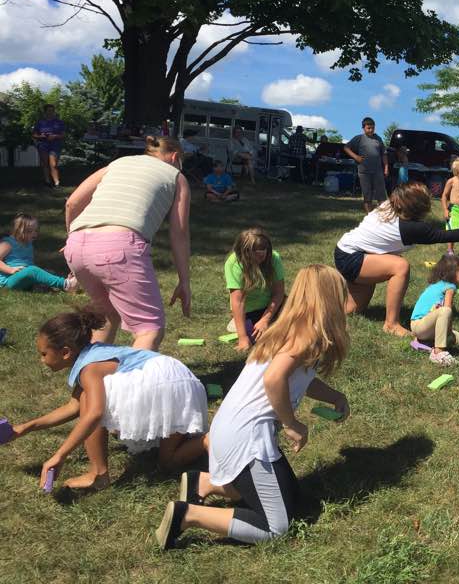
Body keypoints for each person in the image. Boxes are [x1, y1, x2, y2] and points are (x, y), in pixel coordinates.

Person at [154, 265, 350, 548]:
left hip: (232, 428)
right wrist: (291, 424)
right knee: (275, 526)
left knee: (294, 498)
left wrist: (335, 397)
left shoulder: (290, 328)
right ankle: (187, 515)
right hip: (246, 438)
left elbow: (300, 379)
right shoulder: (307, 335)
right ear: (329, 299)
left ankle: (203, 483)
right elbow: (274, 378)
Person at [9, 307, 207, 492]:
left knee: (89, 400)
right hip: (181, 383)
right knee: (168, 463)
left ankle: (98, 473)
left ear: (66, 352)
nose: (41, 360)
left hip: (163, 385)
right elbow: (72, 407)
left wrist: (60, 455)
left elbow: (94, 413)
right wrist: (26, 427)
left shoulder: (89, 369)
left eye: (44, 354)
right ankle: (209, 441)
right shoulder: (92, 356)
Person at [64, 135, 192, 351]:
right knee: (149, 329)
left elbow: (72, 203)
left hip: (76, 245)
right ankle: (135, 374)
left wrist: (71, 237)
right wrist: (184, 281)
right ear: (175, 157)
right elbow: (179, 233)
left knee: (106, 316)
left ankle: (90, 371)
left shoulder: (116, 164)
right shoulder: (176, 176)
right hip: (119, 248)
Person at [334, 182, 459, 336]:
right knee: (400, 266)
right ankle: (391, 324)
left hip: (347, 252)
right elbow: (443, 235)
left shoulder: (389, 205)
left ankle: (323, 306)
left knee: (351, 310)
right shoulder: (410, 228)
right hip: (352, 258)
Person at [226, 227, 285, 353]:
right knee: (261, 339)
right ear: (245, 253)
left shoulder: (274, 258)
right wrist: (242, 338)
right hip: (248, 311)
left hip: (271, 307)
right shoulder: (234, 264)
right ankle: (239, 324)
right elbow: (238, 302)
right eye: (257, 256)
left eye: (264, 253)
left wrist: (265, 319)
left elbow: (279, 293)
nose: (261, 259)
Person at [410, 254, 459, 366]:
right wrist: (448, 333)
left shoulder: (436, 285)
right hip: (420, 326)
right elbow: (447, 310)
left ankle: (424, 342)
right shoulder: (450, 287)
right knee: (446, 311)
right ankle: (438, 352)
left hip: (419, 328)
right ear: (451, 273)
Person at [0, 212, 77, 292]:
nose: (34, 234)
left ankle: (51, 284)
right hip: (8, 281)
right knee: (33, 271)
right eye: (30, 231)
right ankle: (66, 285)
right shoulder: (7, 243)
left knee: (47, 272)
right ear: (18, 230)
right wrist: (11, 270)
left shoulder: (28, 244)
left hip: (24, 277)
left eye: (36, 231)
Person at [344, 117, 388, 213]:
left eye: (373, 128)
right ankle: (369, 215)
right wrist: (356, 157)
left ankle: (383, 215)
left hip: (377, 171)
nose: (371, 130)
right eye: (368, 128)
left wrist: (386, 168)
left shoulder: (378, 139)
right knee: (367, 195)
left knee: (381, 195)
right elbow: (346, 147)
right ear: (363, 128)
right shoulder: (359, 138)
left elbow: (384, 154)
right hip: (364, 172)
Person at [32, 104, 66, 188]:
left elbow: (63, 135)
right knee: (45, 163)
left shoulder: (59, 122)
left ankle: (57, 182)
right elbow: (34, 135)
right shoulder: (40, 122)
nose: (51, 112)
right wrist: (41, 136)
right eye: (49, 110)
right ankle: (47, 181)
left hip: (55, 145)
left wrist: (55, 136)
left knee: (53, 164)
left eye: (52, 110)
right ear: (45, 112)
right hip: (43, 144)